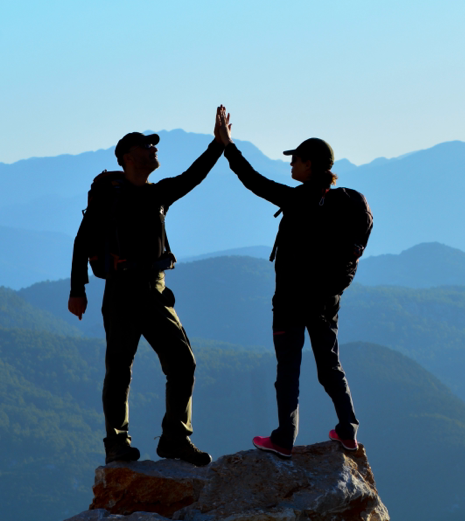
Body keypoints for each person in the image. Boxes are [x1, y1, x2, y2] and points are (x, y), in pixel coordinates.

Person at [68, 115, 227, 466]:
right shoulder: (108, 197)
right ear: (126, 156)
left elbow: (193, 177)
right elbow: (82, 242)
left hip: (155, 290)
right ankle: (117, 443)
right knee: (120, 370)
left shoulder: (158, 194)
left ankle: (175, 439)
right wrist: (77, 289)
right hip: (122, 291)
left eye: (154, 145)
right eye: (146, 145)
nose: (153, 149)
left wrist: (219, 144)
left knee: (183, 363)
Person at [213, 105, 365, 458]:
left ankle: (284, 438)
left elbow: (254, 181)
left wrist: (227, 146)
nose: (291, 164)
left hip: (291, 301)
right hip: (327, 299)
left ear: (310, 164)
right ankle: (348, 431)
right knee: (330, 367)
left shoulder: (299, 199)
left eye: (295, 159)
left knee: (288, 371)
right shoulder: (339, 204)